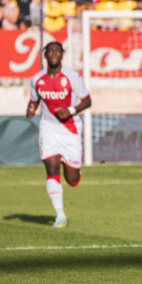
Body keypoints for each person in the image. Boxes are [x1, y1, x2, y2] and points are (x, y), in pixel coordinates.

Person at [25, 42, 92, 228]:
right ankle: (60, 216)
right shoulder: (36, 79)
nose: (54, 53)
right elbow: (33, 101)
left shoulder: (72, 77)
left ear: (62, 55)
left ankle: (74, 166)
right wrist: (30, 110)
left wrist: (70, 110)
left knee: (71, 180)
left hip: (70, 129)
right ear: (45, 55)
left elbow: (87, 101)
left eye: (57, 50)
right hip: (49, 128)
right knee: (51, 167)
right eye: (50, 51)